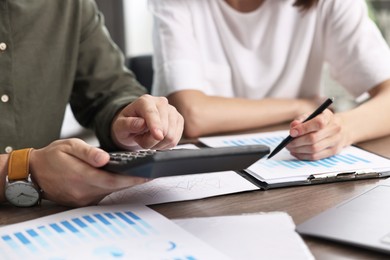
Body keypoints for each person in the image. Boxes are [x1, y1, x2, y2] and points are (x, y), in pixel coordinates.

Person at [149, 0, 390, 161]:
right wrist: (301, 105)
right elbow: (192, 114)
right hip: (199, 168)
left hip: (291, 167)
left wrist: (343, 129)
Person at [0, 0, 184, 207]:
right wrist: (20, 168)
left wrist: (130, 121)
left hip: (45, 214)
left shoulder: (71, 5)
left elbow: (111, 90)